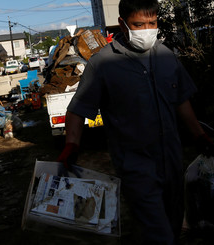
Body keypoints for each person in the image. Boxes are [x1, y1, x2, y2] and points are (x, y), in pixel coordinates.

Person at [57, 0, 214, 244]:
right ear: (122, 23)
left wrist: (199, 135)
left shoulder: (166, 56)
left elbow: (181, 100)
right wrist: (72, 144)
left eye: (152, 23)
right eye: (139, 24)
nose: (147, 30)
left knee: (172, 225)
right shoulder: (103, 64)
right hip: (135, 167)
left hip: (172, 161)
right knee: (159, 233)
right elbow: (78, 109)